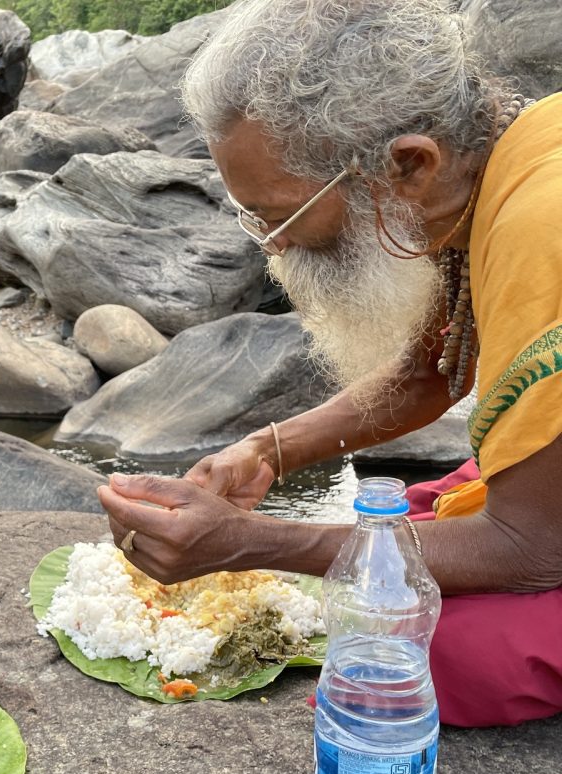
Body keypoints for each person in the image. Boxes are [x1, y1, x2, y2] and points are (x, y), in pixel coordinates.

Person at [96, 0, 562, 727]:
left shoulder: (542, 224)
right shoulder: (493, 160)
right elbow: (432, 372)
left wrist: (249, 544)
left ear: (409, 164)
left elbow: (531, 548)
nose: (273, 245)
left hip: (541, 540)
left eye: (279, 215)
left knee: (417, 652)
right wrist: (265, 451)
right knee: (404, 523)